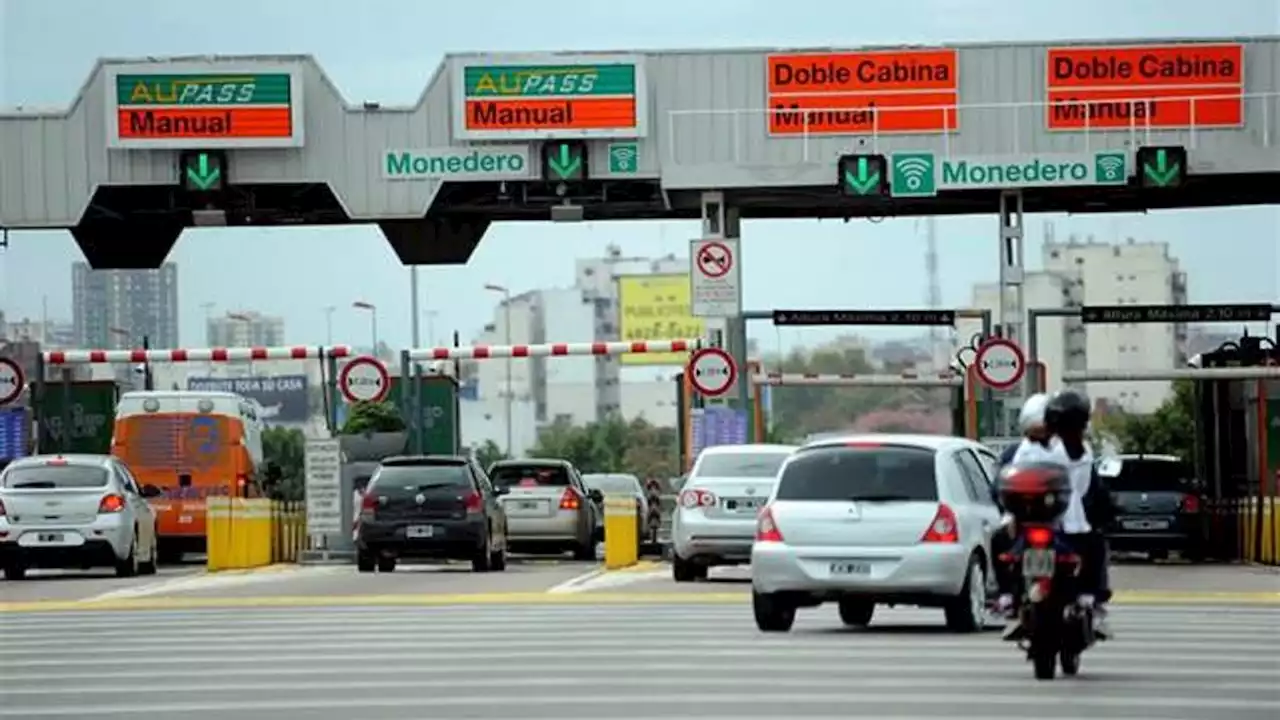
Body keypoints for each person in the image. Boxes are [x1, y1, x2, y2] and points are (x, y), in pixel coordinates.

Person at [1001, 389, 1115, 640]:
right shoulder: (1034, 448)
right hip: (1038, 518)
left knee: (1093, 547)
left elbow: (1087, 487)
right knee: (1007, 550)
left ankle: (1087, 600)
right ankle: (1011, 598)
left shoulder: (1076, 450)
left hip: (1062, 521)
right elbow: (1010, 478)